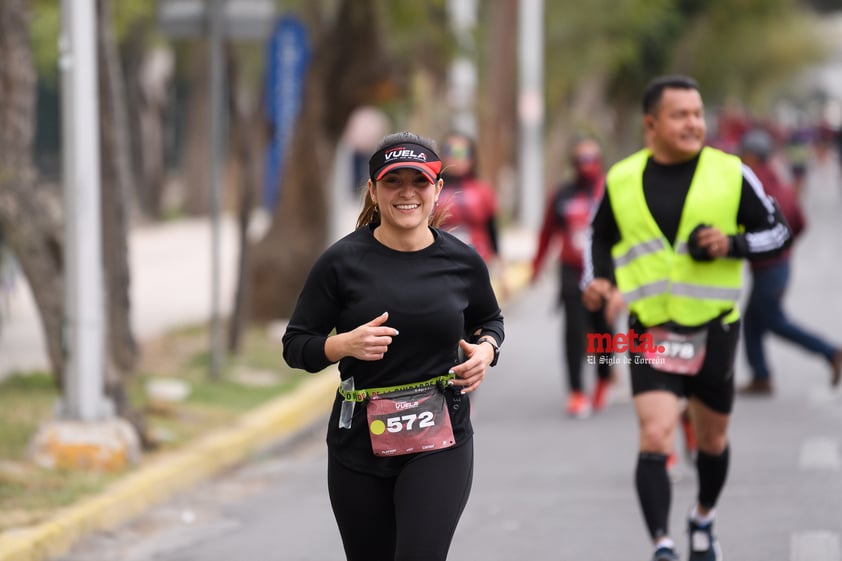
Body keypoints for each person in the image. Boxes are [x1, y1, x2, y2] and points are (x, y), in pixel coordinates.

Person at [582, 75, 793, 561]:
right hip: (649, 327)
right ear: (650, 124)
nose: (694, 123)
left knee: (712, 441)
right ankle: (663, 544)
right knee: (655, 432)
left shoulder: (731, 173)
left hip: (713, 327)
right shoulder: (622, 178)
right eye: (681, 115)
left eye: (698, 114)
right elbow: (597, 239)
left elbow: (778, 233)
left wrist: (732, 244)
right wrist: (599, 282)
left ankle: (702, 517)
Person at [281, 131, 504, 561]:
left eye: (419, 182)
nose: (407, 194)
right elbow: (296, 345)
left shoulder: (462, 261)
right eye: (393, 182)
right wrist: (342, 345)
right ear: (372, 190)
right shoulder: (341, 263)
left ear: (437, 189)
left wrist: (486, 350)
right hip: (358, 444)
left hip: (440, 440)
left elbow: (489, 320)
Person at [737, 128, 842, 395]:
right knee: (752, 322)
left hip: (768, 268)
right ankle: (761, 376)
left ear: (750, 155)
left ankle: (830, 352)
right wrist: (782, 244)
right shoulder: (781, 183)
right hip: (778, 264)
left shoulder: (752, 186)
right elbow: (800, 222)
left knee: (773, 321)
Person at [530, 136, 615, 418]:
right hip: (571, 271)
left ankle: (604, 377)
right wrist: (536, 267)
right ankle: (577, 391)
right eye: (581, 159)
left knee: (603, 327)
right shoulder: (563, 194)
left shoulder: (610, 191)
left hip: (604, 271)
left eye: (592, 158)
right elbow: (547, 232)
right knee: (573, 332)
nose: (586, 165)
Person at [438, 132, 507, 294]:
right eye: (450, 151)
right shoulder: (431, 190)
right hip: (441, 263)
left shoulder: (482, 191)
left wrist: (502, 273)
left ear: (472, 157)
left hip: (477, 262)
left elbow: (492, 230)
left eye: (461, 153)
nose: (456, 158)